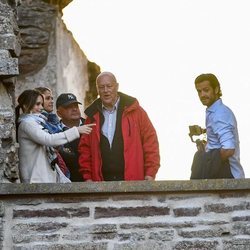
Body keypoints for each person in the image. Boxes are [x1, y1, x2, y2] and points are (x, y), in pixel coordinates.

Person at [78, 71, 160, 181]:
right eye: (101, 87)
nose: (106, 90)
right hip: (101, 186)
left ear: (117, 87)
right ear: (98, 90)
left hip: (133, 183)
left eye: (109, 86)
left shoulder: (137, 112)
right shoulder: (91, 117)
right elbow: (85, 150)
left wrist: (150, 174)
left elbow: (150, 142)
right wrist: (87, 178)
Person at [16, 89, 95, 183]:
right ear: (25, 106)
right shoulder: (27, 124)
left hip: (42, 179)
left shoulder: (37, 122)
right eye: (37, 104)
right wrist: (76, 131)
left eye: (41, 104)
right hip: (35, 180)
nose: (41, 108)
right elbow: (48, 139)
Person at [191, 73, 245, 179]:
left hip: (227, 174)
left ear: (216, 90)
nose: (202, 95)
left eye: (206, 90)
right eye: (199, 91)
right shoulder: (214, 111)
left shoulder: (220, 114)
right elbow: (219, 143)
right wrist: (206, 147)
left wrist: (206, 165)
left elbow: (228, 149)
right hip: (223, 171)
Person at [56, 93, 86, 182]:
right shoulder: (54, 132)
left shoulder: (92, 126)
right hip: (66, 185)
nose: (74, 109)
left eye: (76, 105)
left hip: (92, 182)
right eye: (68, 107)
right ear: (59, 113)